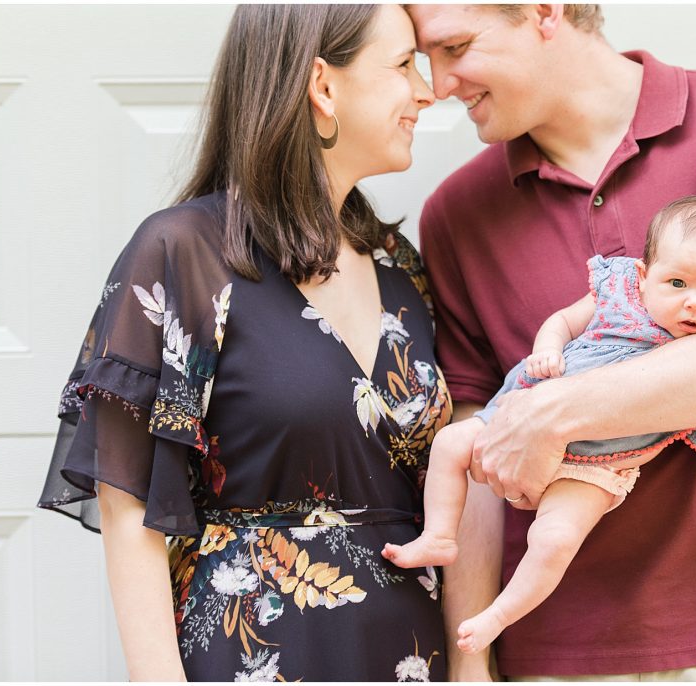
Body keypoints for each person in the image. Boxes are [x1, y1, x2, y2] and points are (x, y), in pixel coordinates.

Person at [408, 3, 696, 681]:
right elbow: (484, 451)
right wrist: (470, 663)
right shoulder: (456, 215)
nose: (439, 83)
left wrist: (556, 411)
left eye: (455, 47)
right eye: (425, 57)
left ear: (544, 11)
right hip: (556, 652)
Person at [36, 5, 451, 681]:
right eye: (405, 65)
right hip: (255, 655)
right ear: (323, 85)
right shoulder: (185, 254)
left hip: (409, 652)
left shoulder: (398, 265)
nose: (428, 90)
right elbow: (130, 504)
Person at [384, 195, 696, 655]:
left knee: (555, 538)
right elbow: (563, 321)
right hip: (524, 412)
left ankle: (497, 617)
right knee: (450, 443)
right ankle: (439, 536)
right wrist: (548, 346)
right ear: (645, 276)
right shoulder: (620, 292)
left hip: (596, 466)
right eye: (678, 282)